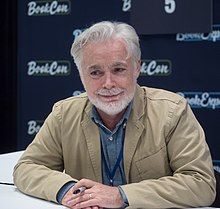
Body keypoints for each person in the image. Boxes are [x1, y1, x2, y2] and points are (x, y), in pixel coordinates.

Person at [13, 21, 216, 209]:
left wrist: (120, 195)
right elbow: (27, 167)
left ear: (137, 68)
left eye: (118, 69)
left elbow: (201, 183)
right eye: (95, 72)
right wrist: (68, 190)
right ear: (81, 75)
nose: (108, 83)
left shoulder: (173, 111)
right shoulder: (64, 114)